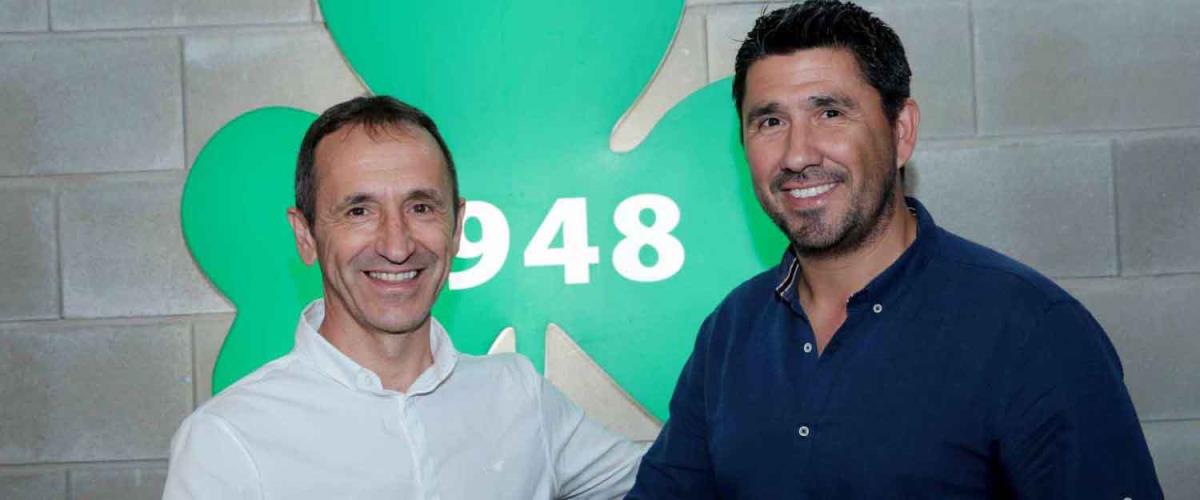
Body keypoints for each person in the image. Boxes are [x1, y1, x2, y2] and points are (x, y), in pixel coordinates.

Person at [627, 1, 1162, 498]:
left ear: (901, 131)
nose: (797, 154)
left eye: (830, 113)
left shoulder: (1029, 329)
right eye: (770, 122)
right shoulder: (732, 331)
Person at [163, 96, 641, 499]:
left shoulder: (518, 396)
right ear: (305, 236)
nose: (397, 245)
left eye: (421, 207)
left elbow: (669, 481)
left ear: (456, 226)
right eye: (359, 211)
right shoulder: (227, 441)